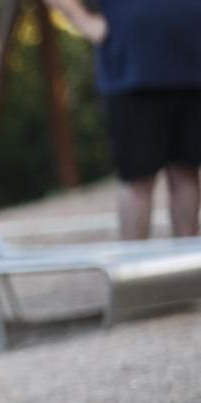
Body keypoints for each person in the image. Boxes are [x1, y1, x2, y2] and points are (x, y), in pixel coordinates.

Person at [43, 0, 201, 240]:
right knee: (137, 179)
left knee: (186, 171)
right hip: (131, 73)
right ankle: (134, 261)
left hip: (192, 70)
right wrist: (84, 22)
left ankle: (187, 261)